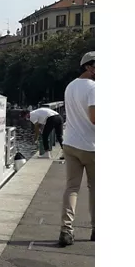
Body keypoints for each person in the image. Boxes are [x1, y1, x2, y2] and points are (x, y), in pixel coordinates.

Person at [59, 51, 95, 246]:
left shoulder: (70, 86)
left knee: (72, 188)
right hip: (91, 146)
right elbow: (95, 118)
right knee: (95, 188)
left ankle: (66, 230)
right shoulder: (94, 88)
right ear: (89, 67)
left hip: (70, 143)